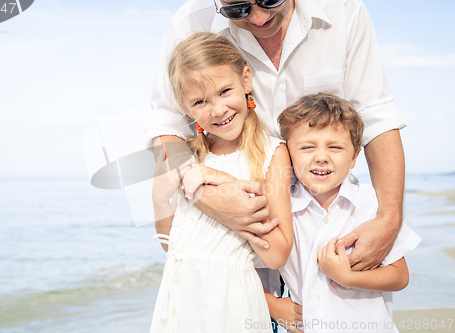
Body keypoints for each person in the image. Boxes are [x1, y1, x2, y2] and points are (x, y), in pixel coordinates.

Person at [146, 0, 406, 276]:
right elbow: (168, 123)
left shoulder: (343, 9)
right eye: (238, 10)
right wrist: (206, 196)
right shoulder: (190, 22)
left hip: (323, 220)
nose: (258, 18)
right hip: (245, 260)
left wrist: (389, 218)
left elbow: (376, 116)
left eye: (270, 0)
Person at [150, 32, 293, 332]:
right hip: (179, 300)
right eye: (200, 101)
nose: (218, 110)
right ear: (184, 107)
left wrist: (227, 185)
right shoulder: (189, 157)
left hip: (231, 307)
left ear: (245, 80)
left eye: (225, 91)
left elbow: (279, 253)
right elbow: (174, 247)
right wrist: (159, 200)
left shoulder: (272, 154)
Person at [264, 93, 421, 332]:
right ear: (287, 154)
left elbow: (400, 276)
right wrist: (272, 305)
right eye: (307, 147)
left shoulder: (370, 203)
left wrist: (348, 277)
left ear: (354, 157)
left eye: (335, 147)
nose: (321, 157)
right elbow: (243, 269)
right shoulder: (280, 210)